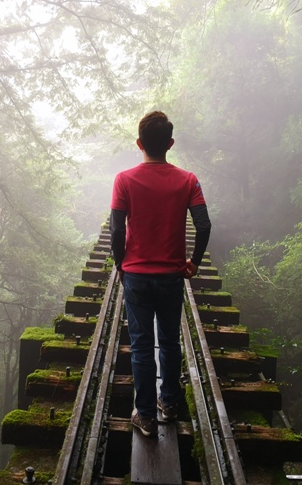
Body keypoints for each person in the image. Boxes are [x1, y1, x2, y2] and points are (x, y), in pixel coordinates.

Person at [109, 111, 211, 438]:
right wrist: (194, 261)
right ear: (170, 143)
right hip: (171, 276)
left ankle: (146, 417)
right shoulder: (188, 180)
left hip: (136, 276)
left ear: (139, 144)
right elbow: (204, 225)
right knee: (169, 341)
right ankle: (169, 403)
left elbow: (116, 229)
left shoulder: (124, 180)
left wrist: (120, 264)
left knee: (141, 347)